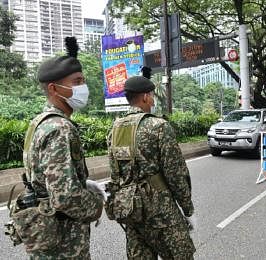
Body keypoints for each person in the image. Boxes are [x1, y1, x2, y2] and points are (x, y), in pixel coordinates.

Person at [9, 37, 104, 259]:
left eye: (83, 81)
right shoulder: (60, 127)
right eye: (77, 81)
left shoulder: (39, 122)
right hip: (64, 241)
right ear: (53, 88)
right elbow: (65, 196)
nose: (84, 88)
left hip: (47, 235)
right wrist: (96, 205)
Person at [105, 76, 196, 259]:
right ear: (145, 97)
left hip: (131, 211)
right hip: (161, 210)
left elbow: (116, 175)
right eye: (152, 96)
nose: (153, 100)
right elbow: (176, 173)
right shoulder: (159, 126)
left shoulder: (114, 130)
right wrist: (187, 209)